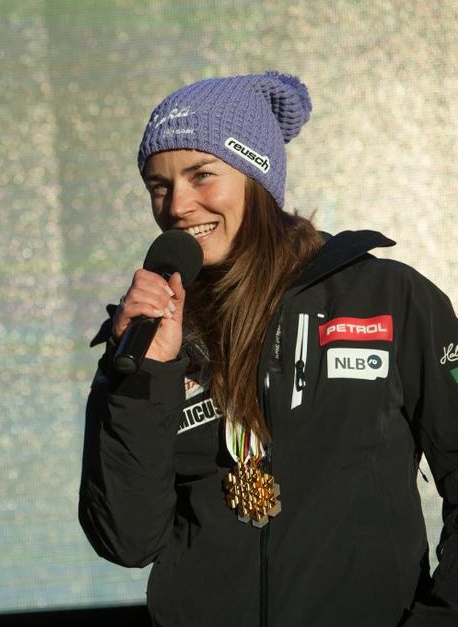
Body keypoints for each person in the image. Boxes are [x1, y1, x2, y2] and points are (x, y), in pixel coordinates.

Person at [78, 72, 458, 626]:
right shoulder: (147, 337)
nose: (177, 205)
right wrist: (141, 377)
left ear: (256, 177)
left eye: (201, 175)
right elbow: (126, 540)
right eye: (159, 186)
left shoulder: (387, 298)